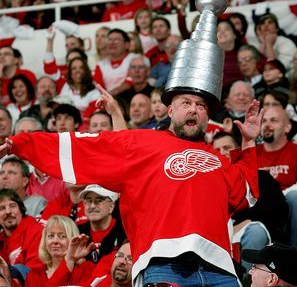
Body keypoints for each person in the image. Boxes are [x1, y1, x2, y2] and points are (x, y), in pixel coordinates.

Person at [0, 89, 263, 286]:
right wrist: (21, 144)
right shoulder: (140, 142)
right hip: (163, 265)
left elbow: (246, 195)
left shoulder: (217, 160)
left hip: (220, 268)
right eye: (186, 103)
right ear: (170, 110)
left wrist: (249, 142)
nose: (194, 109)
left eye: (201, 105)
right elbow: (84, 147)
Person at [212, 132, 289, 273]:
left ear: (238, 151)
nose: (222, 153)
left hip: (257, 236)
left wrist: (249, 221)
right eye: (217, 150)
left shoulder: (262, 178)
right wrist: (232, 228)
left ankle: (249, 280)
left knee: (255, 230)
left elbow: (278, 214)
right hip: (220, 238)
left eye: (227, 147)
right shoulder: (207, 185)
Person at [257, 106, 297, 248]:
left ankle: (294, 255)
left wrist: (277, 196)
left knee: (295, 197)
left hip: (288, 211)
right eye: (264, 121)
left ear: (287, 127)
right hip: (260, 211)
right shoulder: (250, 153)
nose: (267, 125)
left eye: (274, 120)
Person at [25, 215, 95, 286]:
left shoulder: (86, 269)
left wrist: (69, 260)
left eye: (62, 236)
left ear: (74, 239)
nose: (55, 241)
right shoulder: (33, 276)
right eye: (51, 236)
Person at [0, 189, 43, 282]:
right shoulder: (1, 240)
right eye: (1, 208)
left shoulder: (36, 231)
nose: (8, 211)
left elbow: (35, 272)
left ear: (21, 210)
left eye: (12, 206)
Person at [78, 184, 126, 263]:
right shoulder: (77, 232)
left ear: (111, 206)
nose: (92, 206)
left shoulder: (125, 232)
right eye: (89, 201)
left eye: (99, 200)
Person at [93, 29, 137, 96]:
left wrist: (110, 95)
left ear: (127, 44)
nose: (112, 43)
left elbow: (131, 82)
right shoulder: (101, 65)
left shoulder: (135, 59)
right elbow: (98, 87)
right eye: (110, 40)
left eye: (116, 39)